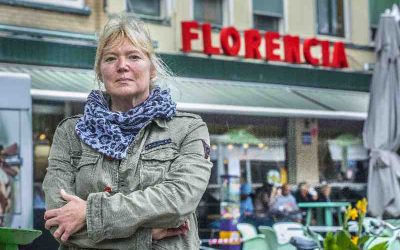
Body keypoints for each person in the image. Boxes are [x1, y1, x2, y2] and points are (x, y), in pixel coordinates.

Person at [42, 14, 212, 250]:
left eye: (134, 56)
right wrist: (144, 236)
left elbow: (178, 200)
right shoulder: (70, 133)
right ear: (100, 72)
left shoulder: (188, 129)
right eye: (110, 58)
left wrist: (89, 213)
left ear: (152, 69)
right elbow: (58, 219)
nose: (122, 66)